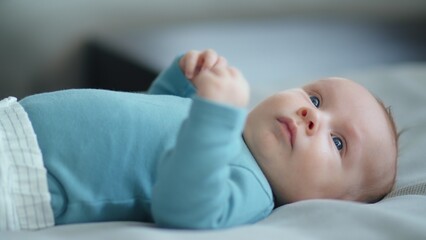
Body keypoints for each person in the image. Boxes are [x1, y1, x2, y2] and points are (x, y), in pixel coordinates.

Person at [0, 49, 398, 231]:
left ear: (333, 202)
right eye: (314, 98)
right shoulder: (231, 122)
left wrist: (216, 114)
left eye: (339, 142)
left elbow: (184, 204)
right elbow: (151, 117)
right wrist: (182, 81)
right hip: (16, 121)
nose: (312, 116)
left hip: (27, 176)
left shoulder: (252, 190)